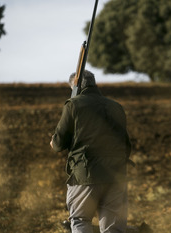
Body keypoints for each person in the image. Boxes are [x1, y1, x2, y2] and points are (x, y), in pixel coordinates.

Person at [50, 70, 131, 233]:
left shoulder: (73, 104)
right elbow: (126, 146)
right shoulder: (116, 106)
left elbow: (58, 144)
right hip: (116, 174)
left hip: (85, 174)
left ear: (75, 86)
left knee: (80, 220)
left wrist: (53, 141)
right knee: (114, 228)